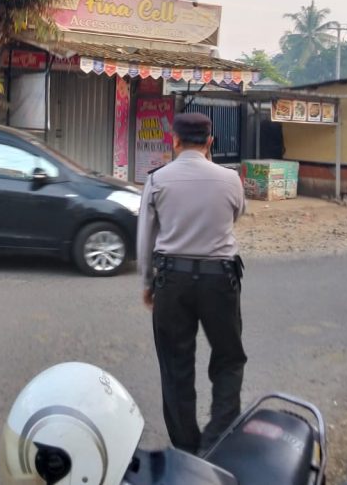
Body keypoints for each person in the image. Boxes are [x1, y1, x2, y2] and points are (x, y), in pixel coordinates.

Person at [137, 112, 247, 455]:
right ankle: (218, 439)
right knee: (228, 359)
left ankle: (186, 446)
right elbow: (236, 215)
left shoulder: (156, 181)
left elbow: (145, 239)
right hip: (220, 280)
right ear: (210, 142)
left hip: (172, 281)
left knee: (175, 363)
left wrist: (147, 281)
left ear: (174, 140)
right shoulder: (231, 180)